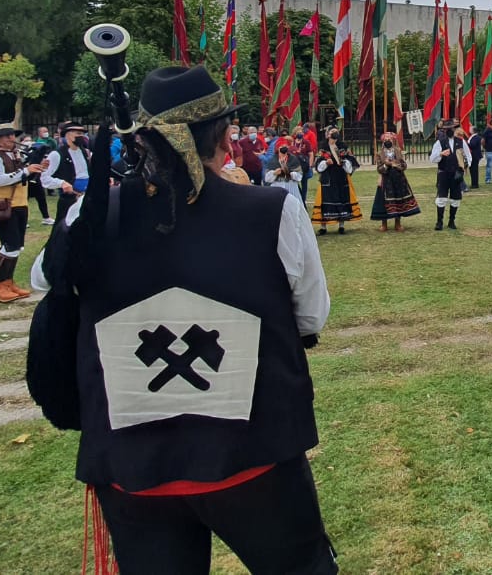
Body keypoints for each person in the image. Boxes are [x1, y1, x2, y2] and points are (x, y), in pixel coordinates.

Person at [28, 65, 337, 575]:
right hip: (252, 454)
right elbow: (310, 317)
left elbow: (46, 279)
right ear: (222, 136)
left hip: (133, 469)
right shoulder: (273, 209)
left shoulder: (90, 213)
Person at [0, 124, 43, 303]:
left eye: (13, 136)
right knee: (10, 244)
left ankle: (8, 282)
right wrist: (26, 171)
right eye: (7, 136)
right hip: (1, 204)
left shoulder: (14, 155)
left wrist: (36, 169)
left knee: (17, 245)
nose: (12, 139)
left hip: (19, 203)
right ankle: (0, 286)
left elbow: (21, 177)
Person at [310, 129, 361, 235]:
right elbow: (318, 163)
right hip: (327, 178)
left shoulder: (343, 147)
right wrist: (326, 163)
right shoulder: (323, 147)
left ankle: (341, 225)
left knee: (341, 199)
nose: (333, 138)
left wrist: (344, 162)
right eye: (331, 135)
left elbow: (351, 160)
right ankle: (323, 227)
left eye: (335, 136)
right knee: (325, 201)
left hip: (341, 177)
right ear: (328, 136)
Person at [41, 122, 92, 225]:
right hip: (70, 199)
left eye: (82, 134)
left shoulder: (84, 152)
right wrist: (61, 183)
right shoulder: (56, 154)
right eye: (78, 133)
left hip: (87, 198)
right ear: (68, 134)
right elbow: (44, 178)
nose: (81, 136)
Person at [370, 132, 419, 232]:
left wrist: (398, 165)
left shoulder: (398, 150)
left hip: (398, 178)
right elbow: (379, 169)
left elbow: (404, 165)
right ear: (383, 141)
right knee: (384, 201)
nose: (388, 140)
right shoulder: (379, 154)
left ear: (393, 140)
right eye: (386, 139)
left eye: (390, 139)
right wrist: (386, 165)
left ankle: (398, 223)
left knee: (398, 199)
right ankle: (384, 224)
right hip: (386, 179)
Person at [430, 121, 471, 231]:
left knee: (455, 198)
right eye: (446, 129)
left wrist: (463, 168)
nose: (449, 131)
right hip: (443, 173)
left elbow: (468, 157)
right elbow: (432, 158)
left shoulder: (461, 142)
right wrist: (441, 154)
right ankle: (439, 222)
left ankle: (451, 221)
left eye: (451, 129)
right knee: (442, 197)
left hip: (456, 174)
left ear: (455, 129)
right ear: (444, 130)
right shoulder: (440, 142)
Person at [27, 126, 58, 225]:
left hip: (36, 178)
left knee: (41, 197)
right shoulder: (26, 152)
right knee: (24, 200)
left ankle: (46, 217)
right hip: (26, 178)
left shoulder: (48, 143)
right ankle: (24, 220)